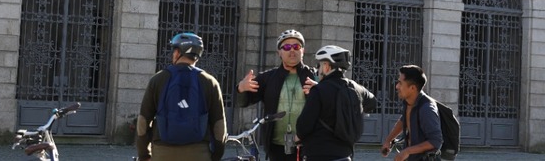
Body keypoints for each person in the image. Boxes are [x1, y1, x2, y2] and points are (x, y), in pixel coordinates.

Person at [136, 32, 227, 161]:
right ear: (197, 56)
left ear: (178, 52)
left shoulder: (158, 80)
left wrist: (144, 154)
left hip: (163, 152)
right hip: (198, 153)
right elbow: (219, 126)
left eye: (174, 50)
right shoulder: (210, 82)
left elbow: (143, 122)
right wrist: (216, 155)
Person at [236, 29, 317, 161]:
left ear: (303, 50)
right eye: (287, 47)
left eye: (296, 46)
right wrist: (241, 88)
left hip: (308, 146)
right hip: (276, 147)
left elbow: (333, 102)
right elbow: (243, 102)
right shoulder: (268, 78)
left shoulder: (315, 77)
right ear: (279, 52)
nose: (292, 50)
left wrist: (320, 90)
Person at [295, 45, 377, 161]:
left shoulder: (318, 91)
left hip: (319, 155)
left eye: (319, 66)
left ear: (326, 67)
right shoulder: (356, 89)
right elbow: (372, 103)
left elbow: (303, 127)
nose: (318, 70)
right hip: (345, 155)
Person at [380, 65, 442, 161]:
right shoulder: (408, 102)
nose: (397, 86)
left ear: (412, 88)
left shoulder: (427, 109)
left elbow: (435, 141)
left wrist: (407, 152)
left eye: (400, 83)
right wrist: (388, 140)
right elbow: (403, 120)